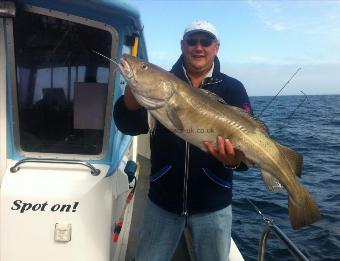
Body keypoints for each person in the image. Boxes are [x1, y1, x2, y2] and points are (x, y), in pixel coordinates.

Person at [114, 20, 252, 261]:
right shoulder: (163, 84)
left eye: (206, 41)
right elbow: (128, 125)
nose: (198, 47)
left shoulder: (233, 88)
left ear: (216, 47)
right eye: (192, 41)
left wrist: (232, 162)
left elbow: (243, 160)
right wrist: (133, 91)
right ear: (182, 46)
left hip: (213, 205)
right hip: (163, 203)